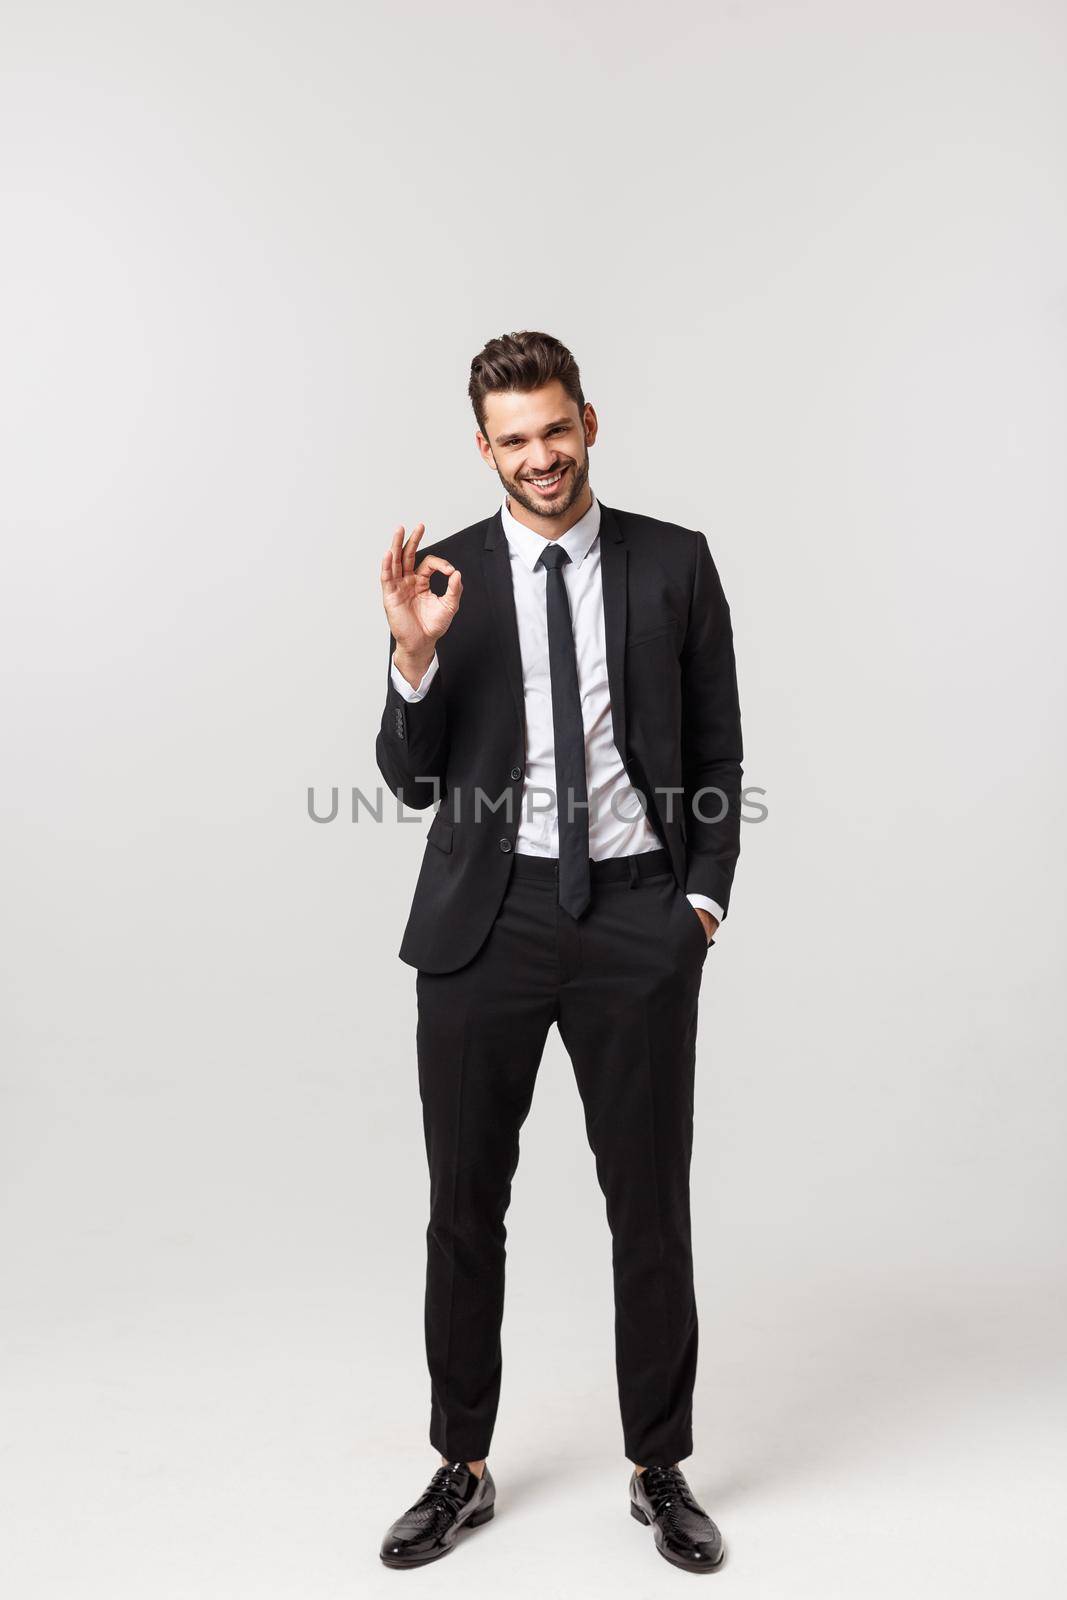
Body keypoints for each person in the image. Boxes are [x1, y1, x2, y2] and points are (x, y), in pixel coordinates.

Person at [374, 330, 742, 1574]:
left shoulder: (673, 564)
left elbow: (715, 749)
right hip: (484, 924)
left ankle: (659, 1463)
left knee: (648, 1208)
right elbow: (409, 781)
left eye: (554, 429)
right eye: (511, 440)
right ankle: (461, 1463)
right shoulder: (444, 578)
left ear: (589, 419)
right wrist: (412, 659)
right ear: (482, 447)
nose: (538, 457)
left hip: (637, 919)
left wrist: (697, 906)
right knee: (463, 1210)